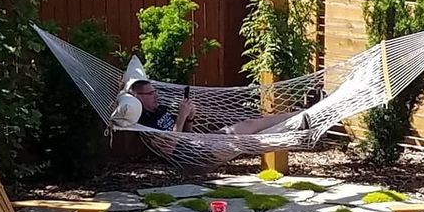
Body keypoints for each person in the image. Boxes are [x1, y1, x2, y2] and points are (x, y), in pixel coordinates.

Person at [126, 79, 310, 135]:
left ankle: (301, 115)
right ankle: (298, 121)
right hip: (198, 153)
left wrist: (189, 117)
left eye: (154, 91)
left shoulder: (160, 110)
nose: (156, 95)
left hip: (201, 143)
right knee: (252, 135)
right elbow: (173, 145)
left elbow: (186, 134)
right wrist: (182, 117)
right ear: (138, 97)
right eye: (150, 93)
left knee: (252, 125)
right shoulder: (145, 122)